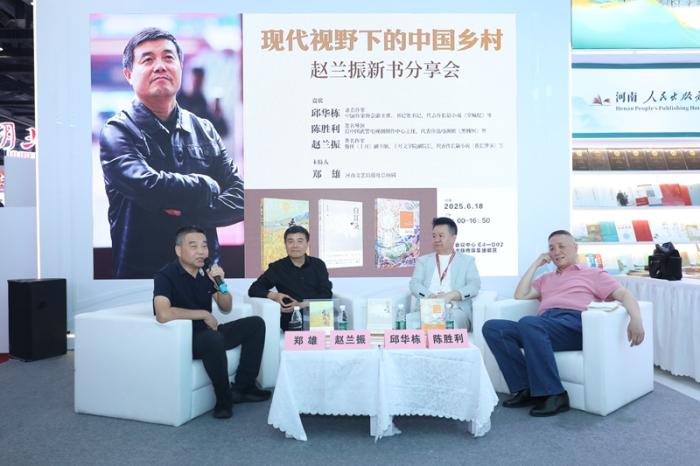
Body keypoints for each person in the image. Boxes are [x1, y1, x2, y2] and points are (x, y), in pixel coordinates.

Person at [100, 27, 243, 279]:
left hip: (205, 279)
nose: (160, 66)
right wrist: (207, 186)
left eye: (168, 58)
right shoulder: (118, 131)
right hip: (142, 281)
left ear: (180, 67)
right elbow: (148, 185)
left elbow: (241, 196)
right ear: (129, 74)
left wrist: (185, 211)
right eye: (148, 59)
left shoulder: (204, 129)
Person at [482, 230, 645, 417]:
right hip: (543, 326)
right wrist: (536, 264)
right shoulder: (546, 278)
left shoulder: (593, 274)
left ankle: (555, 394)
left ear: (575, 247)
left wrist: (636, 318)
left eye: (561, 246)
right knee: (493, 328)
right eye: (551, 248)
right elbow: (520, 295)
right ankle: (525, 388)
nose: (556, 252)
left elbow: (624, 294)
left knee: (530, 323)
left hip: (574, 324)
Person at [153, 225, 270, 420]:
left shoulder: (205, 275)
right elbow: (163, 314)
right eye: (193, 246)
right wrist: (203, 314)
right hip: (186, 339)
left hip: (209, 333)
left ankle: (243, 388)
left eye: (204, 246)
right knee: (212, 339)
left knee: (255, 324)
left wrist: (220, 283)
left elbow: (226, 306)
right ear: (179, 250)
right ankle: (224, 399)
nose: (201, 251)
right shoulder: (165, 275)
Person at [248, 225, 333, 330]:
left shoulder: (318, 264)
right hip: (292, 320)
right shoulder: (277, 267)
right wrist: (275, 296)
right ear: (285, 244)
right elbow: (254, 289)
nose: (295, 246)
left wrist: (302, 304)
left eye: (300, 241)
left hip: (319, 317)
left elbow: (326, 293)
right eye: (290, 241)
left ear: (307, 243)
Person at [409, 217, 481, 330]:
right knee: (408, 323)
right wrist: (431, 297)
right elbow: (414, 284)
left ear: (453, 238)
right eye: (434, 236)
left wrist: (450, 296)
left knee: (448, 324)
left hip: (454, 309)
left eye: (441, 236)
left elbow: (474, 286)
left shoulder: (467, 261)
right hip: (426, 307)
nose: (436, 239)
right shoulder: (423, 261)